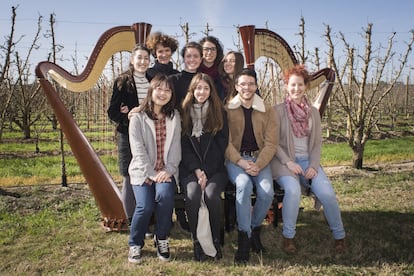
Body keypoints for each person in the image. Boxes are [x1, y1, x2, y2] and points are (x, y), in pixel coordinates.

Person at [271, 64, 346, 254]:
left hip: (307, 161)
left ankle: (339, 237)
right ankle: (289, 237)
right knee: (293, 191)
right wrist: (289, 162)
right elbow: (273, 143)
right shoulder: (277, 111)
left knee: (327, 194)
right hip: (284, 162)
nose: (296, 89)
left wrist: (313, 165)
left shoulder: (313, 112)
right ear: (287, 86)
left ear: (306, 86)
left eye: (300, 85)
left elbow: (316, 144)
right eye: (292, 85)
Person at [225, 68, 278, 264]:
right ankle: (243, 237)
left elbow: (272, 143)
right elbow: (225, 142)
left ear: (256, 86)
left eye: (251, 84)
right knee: (244, 186)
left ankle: (254, 229)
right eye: (243, 84)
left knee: (266, 192)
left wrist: (259, 164)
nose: (247, 87)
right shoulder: (227, 109)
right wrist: (240, 162)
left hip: (260, 159)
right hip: (235, 159)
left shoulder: (267, 109)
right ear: (237, 86)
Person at [127, 74, 181, 263]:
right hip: (143, 171)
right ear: (151, 90)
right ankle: (135, 243)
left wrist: (169, 169)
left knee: (165, 197)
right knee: (145, 206)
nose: (163, 93)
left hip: (165, 170)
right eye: (159, 88)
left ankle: (162, 238)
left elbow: (176, 147)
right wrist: (152, 173)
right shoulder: (138, 117)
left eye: (167, 90)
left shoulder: (174, 117)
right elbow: (138, 150)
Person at [179, 73, 229, 261]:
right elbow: (182, 146)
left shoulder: (219, 113)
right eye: (198, 88)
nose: (202, 92)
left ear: (211, 91)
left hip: (215, 169)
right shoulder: (183, 112)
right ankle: (197, 241)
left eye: (206, 88)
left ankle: (215, 239)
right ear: (192, 90)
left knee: (211, 195)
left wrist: (206, 171)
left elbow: (220, 146)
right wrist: (197, 171)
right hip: (189, 169)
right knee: (192, 195)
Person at [107, 44, 150, 222]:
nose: (142, 61)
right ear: (132, 60)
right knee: (129, 176)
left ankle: (148, 217)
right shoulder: (122, 81)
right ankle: (133, 220)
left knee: (148, 175)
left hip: (150, 134)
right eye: (139, 57)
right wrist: (130, 118)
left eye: (146, 58)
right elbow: (113, 112)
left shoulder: (153, 79)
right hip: (127, 135)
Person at [169, 41, 203, 108]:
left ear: (201, 59)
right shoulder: (173, 80)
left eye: (196, 56)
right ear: (184, 59)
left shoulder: (204, 80)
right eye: (188, 56)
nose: (192, 59)